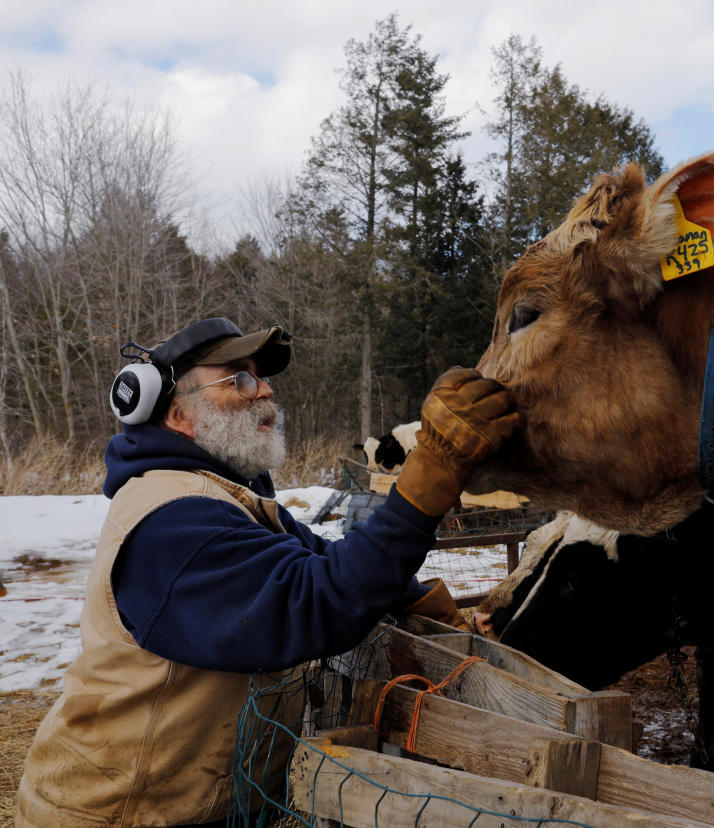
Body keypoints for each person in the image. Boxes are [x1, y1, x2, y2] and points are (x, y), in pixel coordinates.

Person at [16, 317, 522, 828]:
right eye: (239, 379)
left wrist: (417, 600)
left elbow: (323, 561)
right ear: (176, 414)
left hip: (192, 807)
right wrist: (431, 473)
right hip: (116, 813)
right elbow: (315, 603)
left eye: (261, 377)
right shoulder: (172, 521)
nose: (265, 390)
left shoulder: (226, 500)